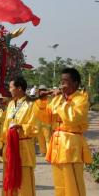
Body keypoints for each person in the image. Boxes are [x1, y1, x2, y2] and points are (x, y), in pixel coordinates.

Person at [34, 68, 92, 196]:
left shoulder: (81, 99)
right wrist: (42, 101)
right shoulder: (57, 99)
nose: (62, 85)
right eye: (61, 81)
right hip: (57, 145)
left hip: (71, 144)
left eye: (65, 81)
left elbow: (73, 118)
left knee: (72, 182)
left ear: (75, 83)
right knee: (59, 182)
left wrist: (62, 103)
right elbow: (46, 118)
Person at [1, 76, 38, 196]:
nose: (9, 90)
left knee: (24, 181)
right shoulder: (11, 104)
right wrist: (2, 144)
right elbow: (6, 125)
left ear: (19, 88)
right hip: (10, 147)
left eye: (11, 87)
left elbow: (36, 127)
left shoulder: (31, 105)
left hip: (24, 147)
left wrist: (21, 127)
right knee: (9, 178)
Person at [35, 85, 51, 156]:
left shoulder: (49, 100)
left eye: (43, 90)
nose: (42, 91)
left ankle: (49, 153)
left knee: (48, 138)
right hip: (38, 121)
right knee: (40, 137)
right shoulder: (36, 100)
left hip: (47, 121)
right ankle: (43, 152)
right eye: (41, 90)